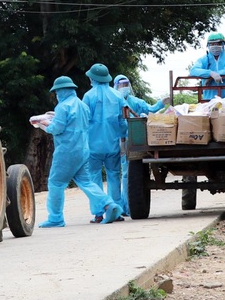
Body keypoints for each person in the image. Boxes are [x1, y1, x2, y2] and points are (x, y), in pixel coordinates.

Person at [36, 76, 123, 228]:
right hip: (83, 150)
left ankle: (56, 218)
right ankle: (109, 204)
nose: (56, 96)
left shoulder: (62, 107)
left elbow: (57, 128)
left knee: (56, 183)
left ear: (61, 91)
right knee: (86, 182)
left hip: (66, 151)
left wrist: (43, 125)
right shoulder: (82, 105)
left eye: (57, 92)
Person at [113, 73, 169, 215]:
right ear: (115, 86)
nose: (124, 88)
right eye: (121, 85)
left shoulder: (135, 101)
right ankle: (119, 207)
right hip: (116, 140)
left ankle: (127, 207)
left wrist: (161, 102)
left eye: (126, 85)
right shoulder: (112, 101)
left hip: (132, 141)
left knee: (127, 174)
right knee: (116, 174)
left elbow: (151, 109)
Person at [82, 64, 127, 222]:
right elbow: (123, 122)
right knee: (114, 176)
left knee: (94, 179)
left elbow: (84, 121)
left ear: (93, 78)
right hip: (112, 144)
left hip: (93, 145)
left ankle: (99, 213)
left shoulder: (88, 96)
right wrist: (123, 137)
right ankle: (116, 211)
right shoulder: (117, 96)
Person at [188, 32, 225, 108]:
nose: (215, 46)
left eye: (218, 43)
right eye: (212, 44)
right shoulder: (203, 59)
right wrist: (210, 73)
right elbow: (194, 70)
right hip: (210, 99)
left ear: (223, 45)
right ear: (208, 46)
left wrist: (214, 76)